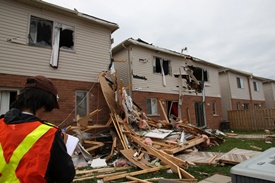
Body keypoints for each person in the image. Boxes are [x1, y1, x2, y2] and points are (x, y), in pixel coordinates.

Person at [0, 76, 75, 183]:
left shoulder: (1, 124)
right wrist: (64, 149)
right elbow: (65, 176)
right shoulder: (49, 134)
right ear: (44, 106)